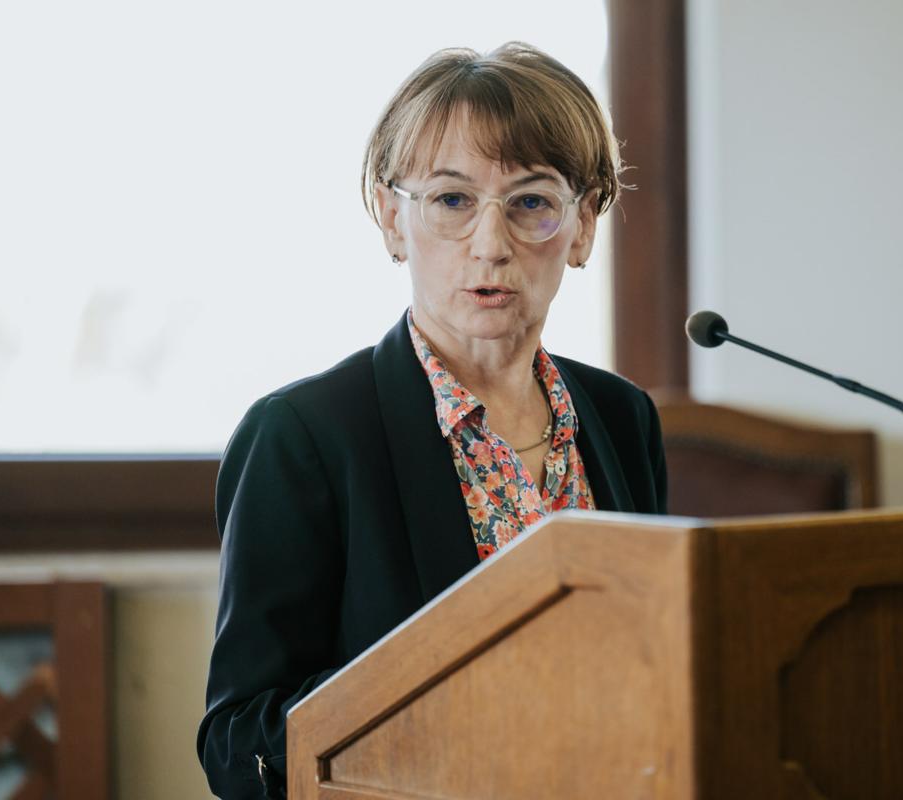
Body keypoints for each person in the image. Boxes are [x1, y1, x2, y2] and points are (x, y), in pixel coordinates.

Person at [196, 42, 668, 799]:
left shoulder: (620, 417)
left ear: (582, 226)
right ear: (392, 219)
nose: (490, 245)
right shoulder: (302, 435)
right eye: (451, 201)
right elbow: (236, 743)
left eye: (531, 203)